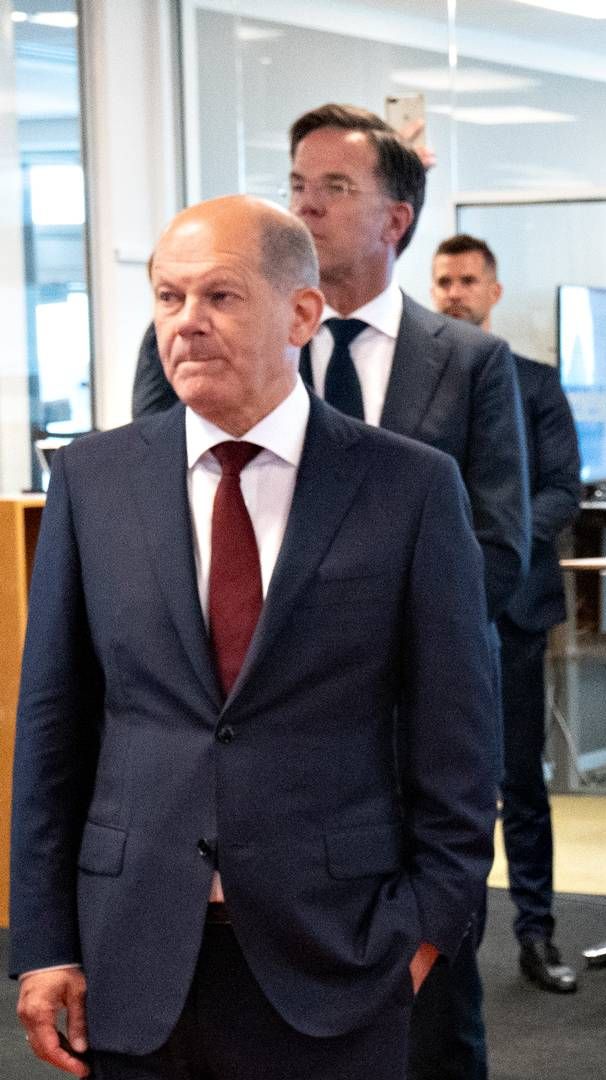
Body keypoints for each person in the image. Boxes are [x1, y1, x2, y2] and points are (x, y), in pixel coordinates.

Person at [9, 195, 498, 1079]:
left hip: (340, 957)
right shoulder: (93, 480)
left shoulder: (409, 489)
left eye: (220, 297)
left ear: (302, 314)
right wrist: (43, 942)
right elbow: (53, 727)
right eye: (168, 298)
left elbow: (457, 736)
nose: (186, 324)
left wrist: (425, 930)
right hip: (133, 957)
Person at [133, 105, 527, 1080]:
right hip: (234, 798)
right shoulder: (206, 344)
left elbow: (497, 547)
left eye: (334, 188)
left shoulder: (468, 362)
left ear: (397, 216)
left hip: (400, 766)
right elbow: (163, 523)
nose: (305, 203)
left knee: (426, 1036)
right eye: (297, 184)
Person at [431, 233, 584, 995]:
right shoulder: (416, 383)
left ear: (494, 291)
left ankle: (538, 931)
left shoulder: (533, 384)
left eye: (467, 280)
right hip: (422, 611)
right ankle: (439, 936)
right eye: (443, 281)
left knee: (520, 778)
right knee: (430, 782)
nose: (454, 292)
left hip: (510, 607)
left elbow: (562, 490)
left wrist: (488, 545)